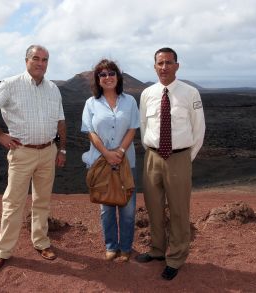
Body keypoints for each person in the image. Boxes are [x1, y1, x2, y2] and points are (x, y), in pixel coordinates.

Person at [0, 45, 66, 270]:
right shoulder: (10, 85)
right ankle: (3, 251)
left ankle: (41, 242)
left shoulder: (53, 88)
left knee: (42, 201)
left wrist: (62, 149)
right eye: (36, 58)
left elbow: (60, 121)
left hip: (48, 151)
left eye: (45, 59)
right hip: (22, 152)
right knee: (13, 202)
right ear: (26, 60)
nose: (40, 63)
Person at [137, 47, 205, 280]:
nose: (164, 67)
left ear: (177, 65)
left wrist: (186, 157)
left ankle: (176, 257)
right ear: (154, 66)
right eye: (160, 63)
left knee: (178, 210)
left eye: (168, 62)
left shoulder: (190, 93)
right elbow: (144, 126)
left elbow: (199, 129)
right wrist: (152, 150)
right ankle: (157, 250)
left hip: (179, 157)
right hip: (152, 156)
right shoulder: (147, 94)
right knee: (153, 206)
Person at [81, 59, 140, 262]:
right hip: (100, 162)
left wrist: (121, 150)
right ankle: (111, 246)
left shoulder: (130, 101)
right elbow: (90, 132)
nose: (108, 77)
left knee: (128, 209)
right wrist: (106, 153)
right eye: (103, 74)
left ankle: (125, 248)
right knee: (106, 209)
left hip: (126, 162)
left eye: (111, 73)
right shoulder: (91, 103)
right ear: (98, 80)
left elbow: (133, 128)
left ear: (118, 76)